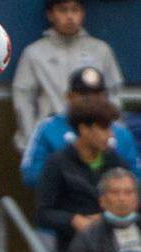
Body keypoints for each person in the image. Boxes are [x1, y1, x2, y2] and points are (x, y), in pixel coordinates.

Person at [12, 1, 123, 151]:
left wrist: (110, 136)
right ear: (50, 15)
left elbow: (114, 96)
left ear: (82, 13)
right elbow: (23, 100)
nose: (70, 16)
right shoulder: (34, 53)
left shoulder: (100, 50)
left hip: (94, 139)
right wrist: (32, 140)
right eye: (63, 10)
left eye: (75, 10)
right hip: (50, 142)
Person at [37, 99, 128, 252]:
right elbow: (43, 213)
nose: (111, 135)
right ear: (84, 129)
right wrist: (73, 220)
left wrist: (107, 218)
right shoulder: (57, 163)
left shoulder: (116, 162)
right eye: (104, 128)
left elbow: (134, 206)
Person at [21, 66, 138, 189]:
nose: (91, 99)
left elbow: (136, 176)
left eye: (97, 94)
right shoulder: (47, 128)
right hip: (64, 203)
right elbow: (30, 175)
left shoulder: (120, 133)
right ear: (69, 97)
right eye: (83, 94)